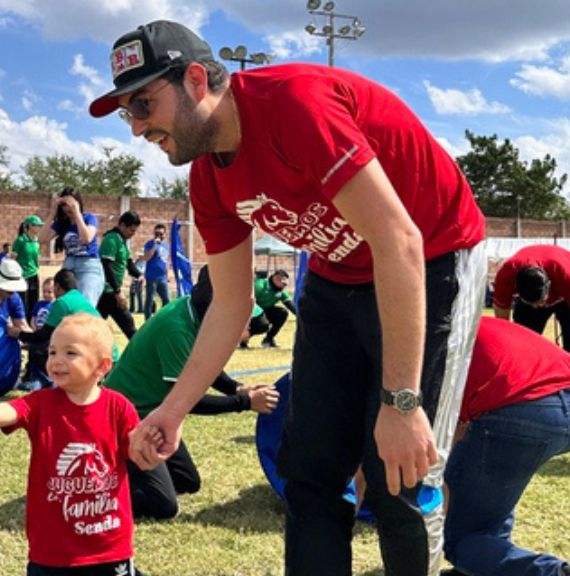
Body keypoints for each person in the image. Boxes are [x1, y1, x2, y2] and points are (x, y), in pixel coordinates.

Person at [89, 20, 487, 575]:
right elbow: (228, 305)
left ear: (197, 79)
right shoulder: (207, 176)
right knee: (311, 476)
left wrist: (400, 401)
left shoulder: (294, 106)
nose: (137, 128)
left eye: (142, 105)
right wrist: (173, 410)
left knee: (400, 476)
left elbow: (400, 243)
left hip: (433, 257)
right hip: (337, 272)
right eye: (128, 113)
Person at [0, 314, 147, 576]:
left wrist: (153, 445)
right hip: (52, 551)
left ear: (102, 367)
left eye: (70, 353)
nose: (56, 360)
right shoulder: (41, 403)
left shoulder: (118, 408)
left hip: (107, 546)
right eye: (52, 351)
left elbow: (139, 449)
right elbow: (11, 410)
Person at [105, 266, 279, 519]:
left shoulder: (195, 314)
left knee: (187, 482)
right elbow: (184, 402)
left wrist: (236, 387)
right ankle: (100, 482)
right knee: (162, 506)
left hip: (154, 413)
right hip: (128, 417)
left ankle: (126, 469)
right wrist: (244, 402)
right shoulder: (176, 328)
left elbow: (201, 363)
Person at [442, 318, 570, 576]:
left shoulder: (436, 343)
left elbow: (454, 430)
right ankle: (478, 568)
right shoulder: (476, 323)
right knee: (494, 484)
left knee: (459, 540)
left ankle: (554, 573)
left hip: (523, 412)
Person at [492, 245, 570, 366]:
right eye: (531, 303)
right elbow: (503, 325)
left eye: (541, 302)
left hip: (567, 276)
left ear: (549, 286)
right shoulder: (505, 276)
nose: (537, 307)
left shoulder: (567, 277)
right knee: (524, 340)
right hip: (540, 276)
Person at [17, 269, 103, 390]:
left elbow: (43, 335)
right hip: (103, 354)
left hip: (91, 357)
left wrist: (19, 334)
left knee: (39, 349)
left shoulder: (62, 303)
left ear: (57, 287)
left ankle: (43, 380)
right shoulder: (80, 299)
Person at [40, 188, 104, 307]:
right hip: (69, 265)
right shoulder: (62, 223)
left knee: (85, 305)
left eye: (70, 204)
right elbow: (42, 239)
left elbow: (87, 238)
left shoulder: (89, 218)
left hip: (88, 265)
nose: (67, 208)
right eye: (64, 205)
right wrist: (52, 212)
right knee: (65, 305)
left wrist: (77, 213)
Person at [98, 211, 143, 340]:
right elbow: (106, 266)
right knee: (130, 328)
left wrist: (139, 275)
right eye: (131, 230)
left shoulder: (121, 241)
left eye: (135, 231)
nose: (133, 234)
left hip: (110, 292)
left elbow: (129, 264)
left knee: (96, 328)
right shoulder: (111, 239)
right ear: (122, 225)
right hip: (107, 292)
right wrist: (117, 291)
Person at [251, 270, 297, 348]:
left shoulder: (280, 292)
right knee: (262, 325)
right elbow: (249, 302)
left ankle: (268, 340)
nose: (284, 286)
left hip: (265, 311)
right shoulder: (260, 286)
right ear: (276, 279)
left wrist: (302, 317)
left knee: (283, 313)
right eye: (283, 283)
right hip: (252, 312)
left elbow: (291, 306)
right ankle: (243, 338)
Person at [13, 215, 44, 324]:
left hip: (33, 274)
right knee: (23, 302)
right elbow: (13, 258)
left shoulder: (36, 242)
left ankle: (31, 324)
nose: (39, 228)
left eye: (40, 226)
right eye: (37, 225)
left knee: (33, 300)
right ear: (29, 226)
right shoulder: (20, 240)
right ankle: (21, 324)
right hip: (22, 275)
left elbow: (36, 258)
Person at [141, 224, 170, 320]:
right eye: (156, 233)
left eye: (161, 234)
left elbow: (165, 261)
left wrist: (167, 275)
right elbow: (147, 257)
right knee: (149, 300)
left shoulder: (166, 246)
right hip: (151, 277)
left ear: (164, 234)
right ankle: (147, 321)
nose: (158, 236)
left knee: (166, 300)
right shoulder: (149, 244)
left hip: (162, 278)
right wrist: (154, 245)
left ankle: (164, 319)